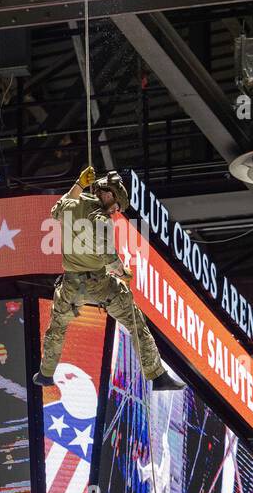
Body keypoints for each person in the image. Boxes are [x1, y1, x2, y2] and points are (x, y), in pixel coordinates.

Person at [34, 166, 184, 391]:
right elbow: (109, 256)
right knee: (135, 322)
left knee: (57, 327)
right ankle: (158, 377)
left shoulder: (73, 205)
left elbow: (56, 210)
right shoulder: (101, 219)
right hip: (100, 285)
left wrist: (78, 183)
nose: (115, 211)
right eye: (116, 206)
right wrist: (123, 273)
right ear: (108, 194)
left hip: (71, 285)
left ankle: (45, 375)